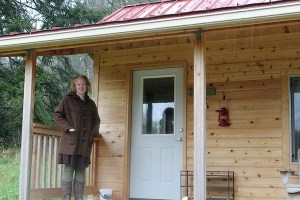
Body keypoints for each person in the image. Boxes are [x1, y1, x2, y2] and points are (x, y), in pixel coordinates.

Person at [54, 75, 100, 200]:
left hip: (85, 144)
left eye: (84, 84)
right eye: (78, 84)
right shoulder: (67, 100)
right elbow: (58, 116)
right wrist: (69, 128)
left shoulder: (91, 104)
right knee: (69, 169)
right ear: (74, 86)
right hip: (70, 142)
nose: (81, 87)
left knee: (80, 170)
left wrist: (93, 134)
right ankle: (67, 197)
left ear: (87, 86)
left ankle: (79, 197)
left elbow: (97, 120)